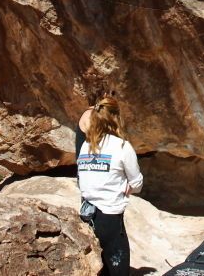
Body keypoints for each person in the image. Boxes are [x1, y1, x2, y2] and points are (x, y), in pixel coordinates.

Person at [78, 96, 143, 276]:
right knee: (118, 267)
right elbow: (136, 182)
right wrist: (129, 188)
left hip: (86, 215)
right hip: (110, 216)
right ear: (115, 117)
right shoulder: (121, 146)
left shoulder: (86, 146)